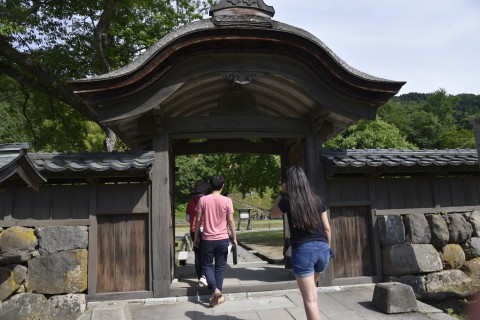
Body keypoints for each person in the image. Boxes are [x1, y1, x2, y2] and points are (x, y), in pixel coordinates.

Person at [270, 166, 332, 320]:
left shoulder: (287, 201)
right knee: (312, 293)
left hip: (304, 251)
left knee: (310, 299)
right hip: (323, 249)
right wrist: (328, 250)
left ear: (289, 183)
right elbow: (327, 228)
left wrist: (282, 193)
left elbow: (273, 214)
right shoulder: (318, 200)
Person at [194, 175, 237, 307]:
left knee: (206, 265)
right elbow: (230, 221)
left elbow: (198, 220)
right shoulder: (227, 201)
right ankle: (217, 293)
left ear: (210, 186)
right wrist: (234, 238)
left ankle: (215, 291)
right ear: (222, 186)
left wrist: (196, 236)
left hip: (208, 239)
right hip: (223, 238)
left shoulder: (203, 200)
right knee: (220, 268)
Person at [186, 180, 210, 287]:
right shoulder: (207, 201)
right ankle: (206, 276)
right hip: (205, 230)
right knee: (207, 254)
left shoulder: (190, 203)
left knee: (197, 254)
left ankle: (200, 276)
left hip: (193, 230)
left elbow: (188, 219)